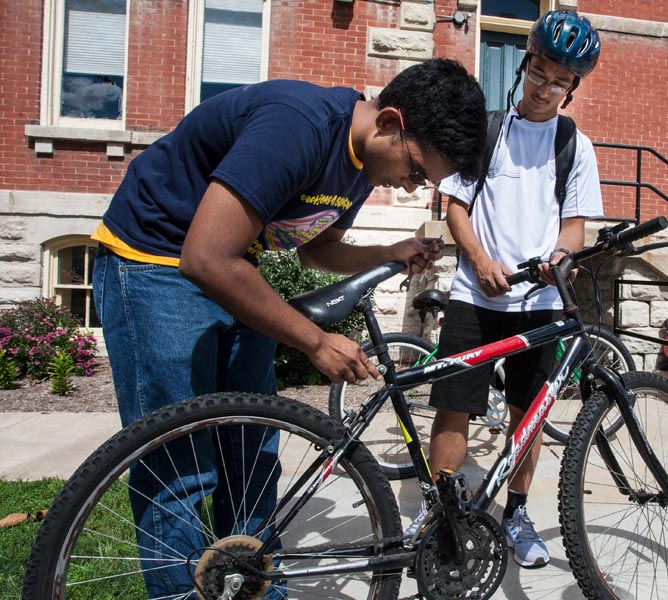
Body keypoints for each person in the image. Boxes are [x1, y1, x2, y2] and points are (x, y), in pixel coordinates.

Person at [91, 58, 486, 596]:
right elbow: (205, 257)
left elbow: (314, 246)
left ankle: (255, 587)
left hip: (234, 264)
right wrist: (315, 340)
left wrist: (387, 251)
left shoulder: (361, 163)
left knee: (252, 453)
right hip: (153, 259)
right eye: (417, 172)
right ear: (391, 122)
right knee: (180, 466)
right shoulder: (296, 126)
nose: (414, 188)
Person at [415, 10, 603, 568]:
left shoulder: (575, 146)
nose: (546, 88)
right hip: (476, 295)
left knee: (528, 416)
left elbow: (574, 225)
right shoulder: (488, 132)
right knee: (454, 410)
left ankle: (515, 514)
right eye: (540, 73)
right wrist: (479, 259)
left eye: (560, 81)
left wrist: (561, 258)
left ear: (572, 88)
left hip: (539, 303)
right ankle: (442, 517)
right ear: (525, 66)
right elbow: (456, 207)